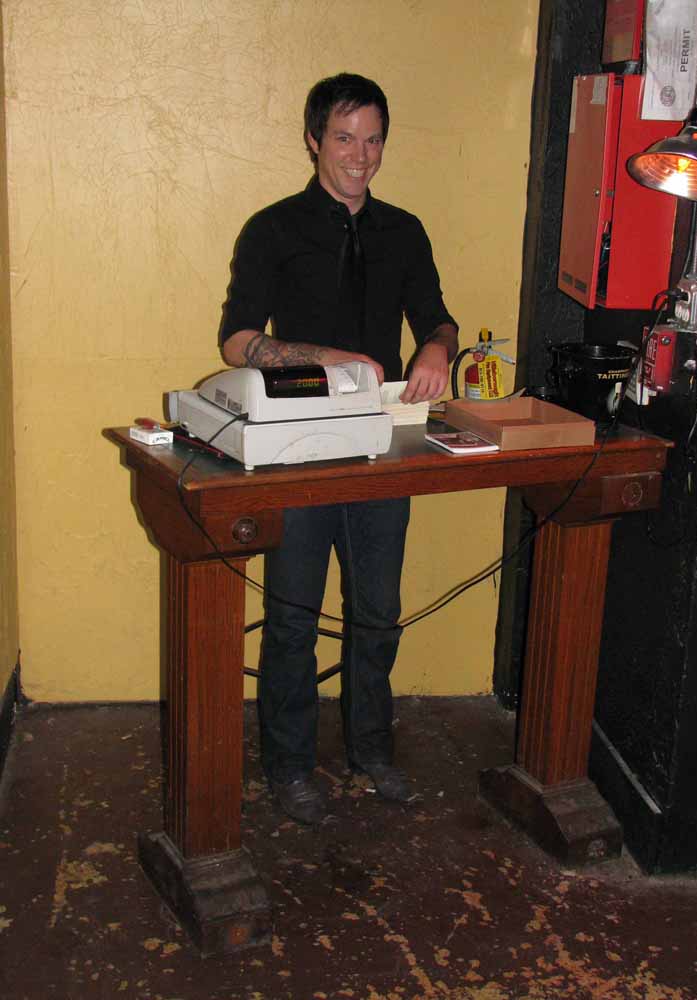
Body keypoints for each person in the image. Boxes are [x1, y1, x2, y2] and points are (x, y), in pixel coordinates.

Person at [220, 72, 458, 825]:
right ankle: (290, 767)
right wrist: (323, 357)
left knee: (378, 611)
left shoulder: (404, 231)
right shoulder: (272, 229)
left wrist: (436, 350)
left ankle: (372, 750)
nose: (361, 155)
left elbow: (439, 319)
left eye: (373, 139)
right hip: (297, 445)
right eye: (345, 138)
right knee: (293, 614)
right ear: (314, 140)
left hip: (379, 445)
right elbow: (236, 340)